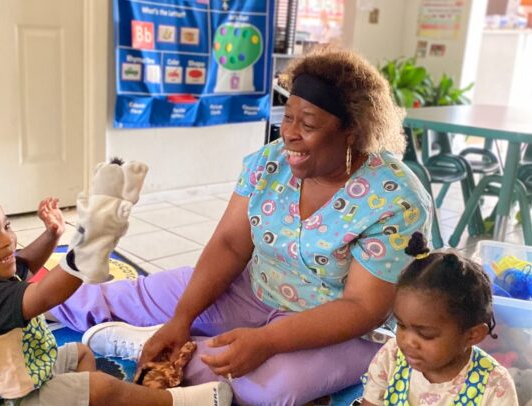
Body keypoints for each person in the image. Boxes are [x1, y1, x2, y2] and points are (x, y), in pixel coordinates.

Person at [50, 45, 434, 405]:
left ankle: (162, 347)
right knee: (126, 298)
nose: (290, 133)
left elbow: (362, 306)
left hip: (335, 328)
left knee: (275, 387)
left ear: (352, 130)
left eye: (309, 124)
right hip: (252, 290)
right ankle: (28, 301)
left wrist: (267, 341)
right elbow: (231, 245)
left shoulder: (394, 200)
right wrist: (182, 317)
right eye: (288, 117)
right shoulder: (271, 163)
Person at [0, 153, 232, 406]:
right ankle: (182, 400)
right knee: (103, 387)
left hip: (17, 370)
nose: (6, 239)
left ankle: (86, 399)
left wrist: (52, 234)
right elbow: (48, 294)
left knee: (79, 353)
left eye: (6, 226)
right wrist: (87, 245)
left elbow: (26, 262)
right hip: (4, 398)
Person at [361, 232, 518, 405]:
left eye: (426, 334)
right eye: (401, 325)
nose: (408, 341)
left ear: (473, 335)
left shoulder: (494, 388)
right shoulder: (391, 356)